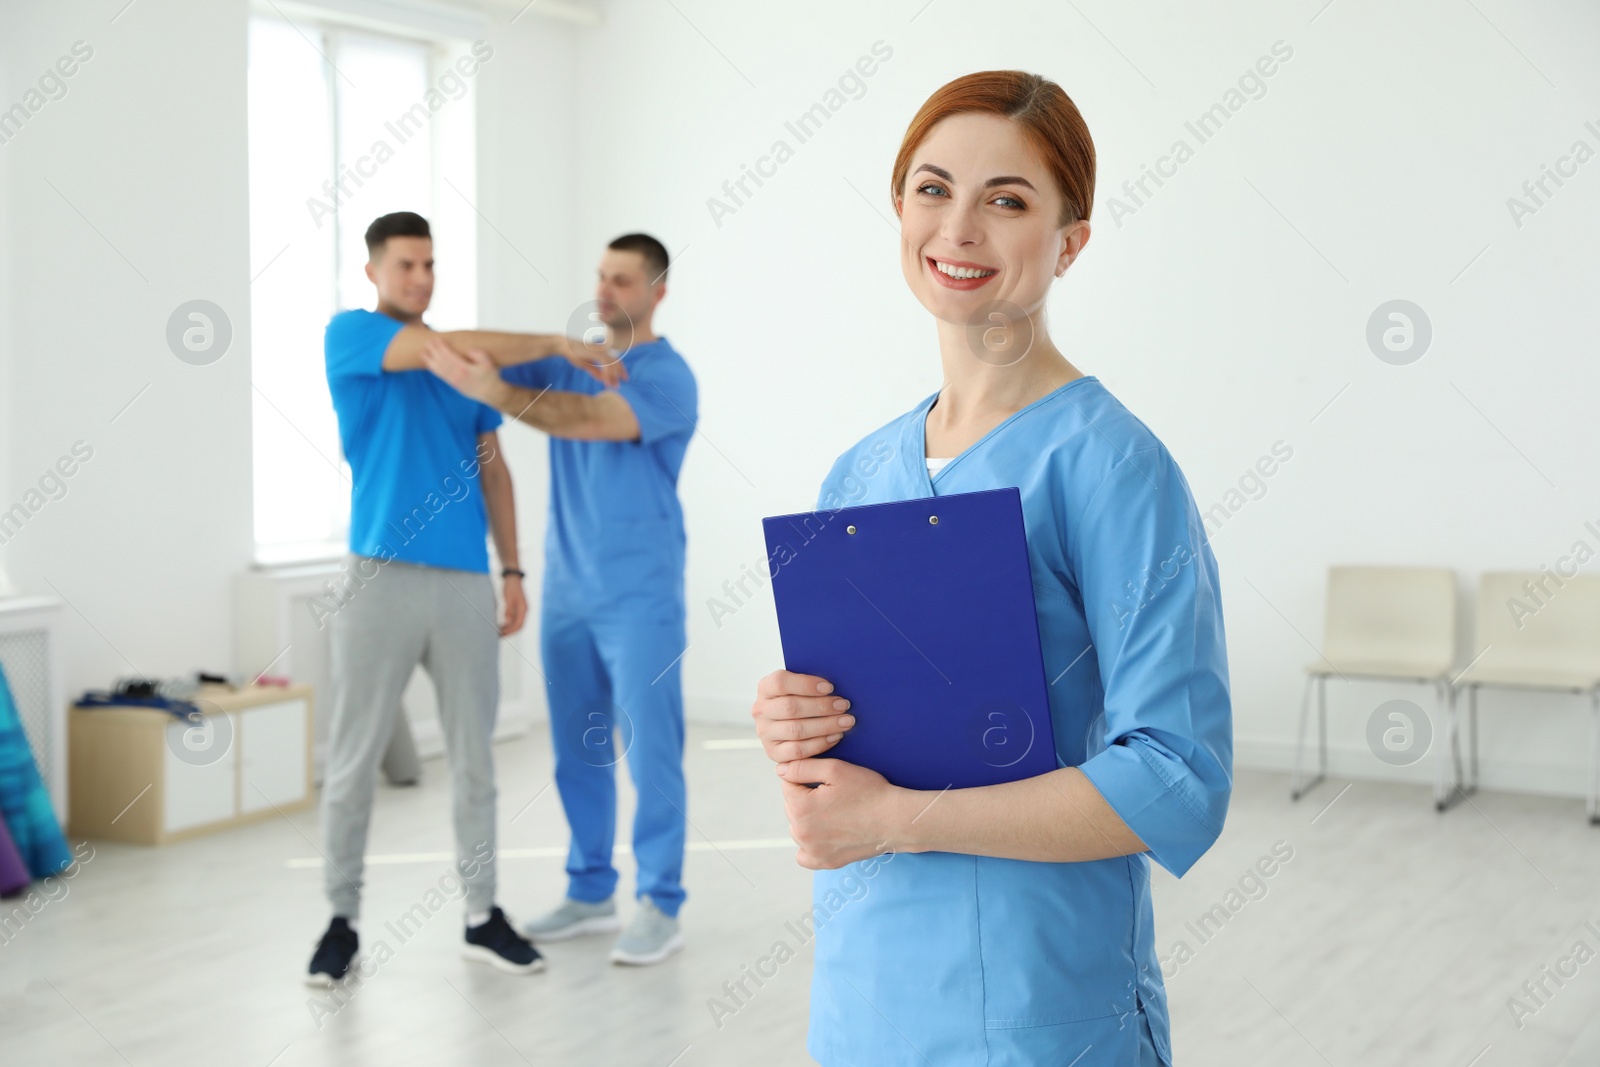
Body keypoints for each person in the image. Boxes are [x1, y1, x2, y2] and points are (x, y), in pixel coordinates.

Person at [750, 72, 1232, 1065]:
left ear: (1070, 238)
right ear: (898, 210)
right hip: (864, 998)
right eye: (932, 190)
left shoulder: (1110, 465)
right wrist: (793, 718)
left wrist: (896, 817)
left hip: (1033, 1006)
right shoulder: (858, 468)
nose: (958, 227)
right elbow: (857, 727)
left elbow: (1177, 778)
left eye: (1005, 200)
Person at [309, 211, 616, 986]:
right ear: (375, 271)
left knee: (475, 761)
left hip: (462, 585)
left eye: (430, 265)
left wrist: (511, 571)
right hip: (378, 577)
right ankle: (340, 919)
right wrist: (553, 342)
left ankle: (482, 915)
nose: (420, 278)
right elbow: (450, 353)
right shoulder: (353, 336)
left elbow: (495, 467)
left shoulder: (466, 370)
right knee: (351, 761)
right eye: (406, 264)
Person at [418, 233, 698, 967]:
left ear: (657, 292)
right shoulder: (568, 360)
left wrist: (498, 394)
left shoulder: (669, 377)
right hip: (569, 591)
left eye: (625, 281)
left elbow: (586, 421)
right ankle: (590, 886)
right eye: (601, 277)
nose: (606, 292)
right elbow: (453, 346)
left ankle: (661, 901)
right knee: (578, 748)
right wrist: (539, 345)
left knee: (653, 751)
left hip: (641, 593)